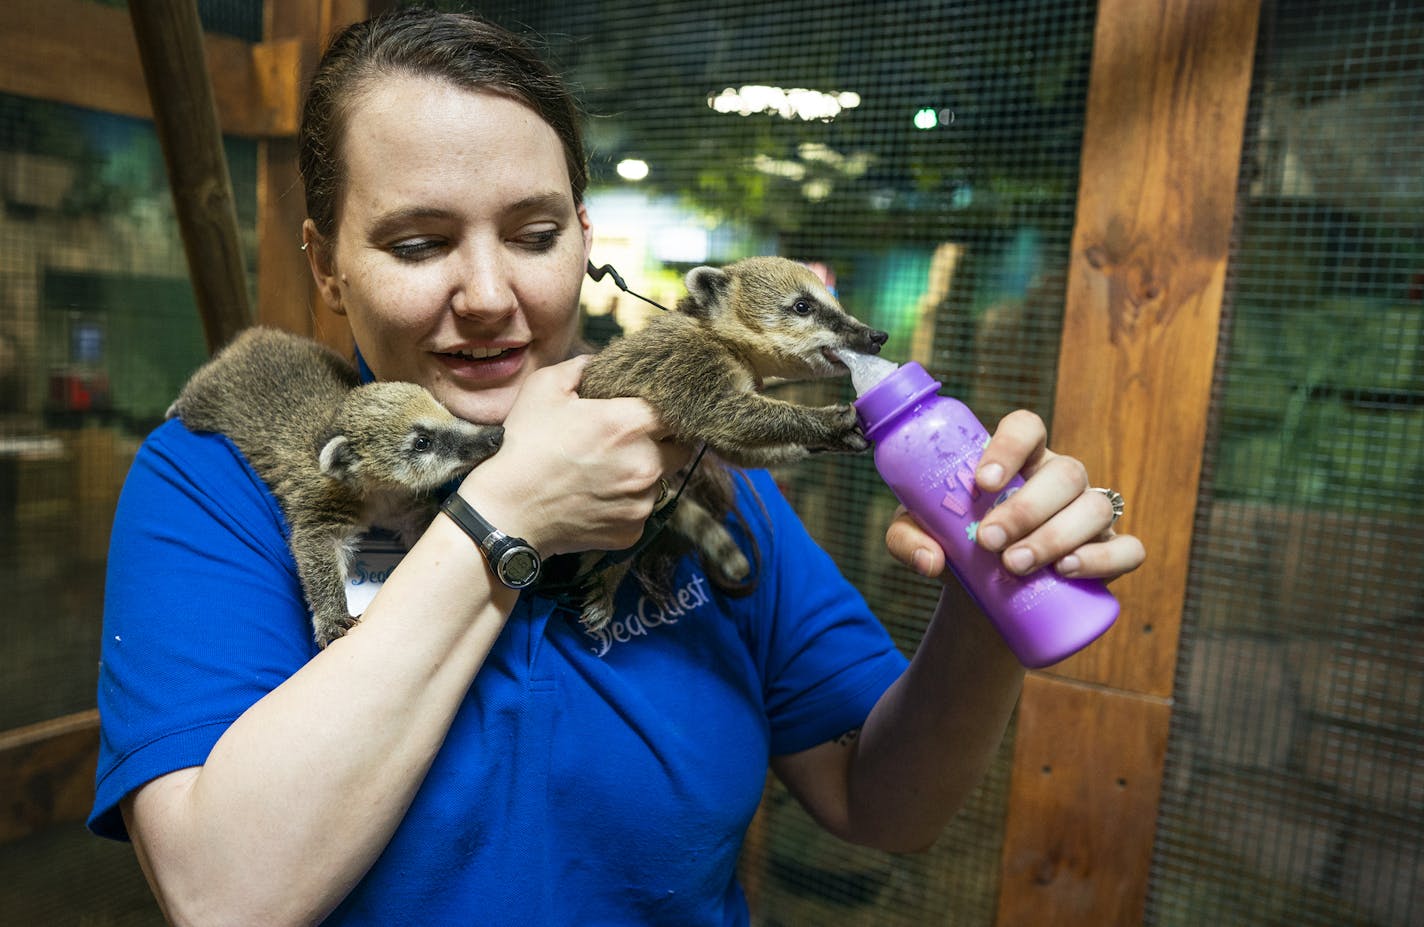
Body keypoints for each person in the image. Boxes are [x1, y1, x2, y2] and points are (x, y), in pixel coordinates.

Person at [89, 8, 1146, 925]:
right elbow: (225, 897)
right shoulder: (218, 486)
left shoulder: (680, 453)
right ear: (326, 264)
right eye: (418, 244)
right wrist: (505, 515)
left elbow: (881, 802)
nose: (489, 295)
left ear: (583, 237)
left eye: (534, 233)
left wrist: (987, 598)